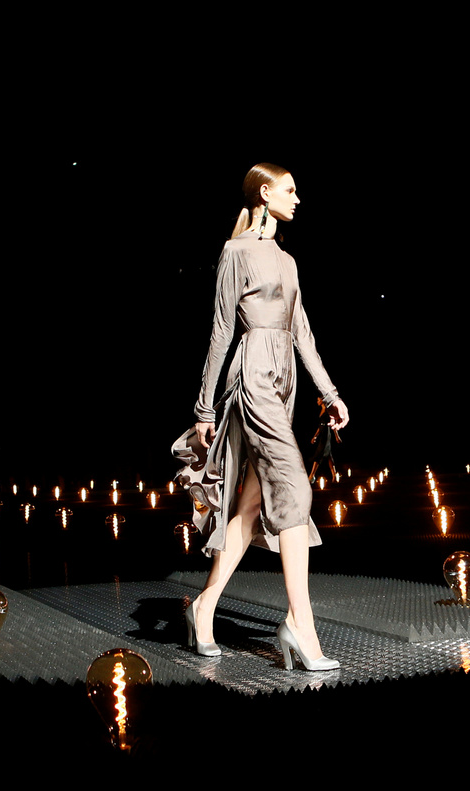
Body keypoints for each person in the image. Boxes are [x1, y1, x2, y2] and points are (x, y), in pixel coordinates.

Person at [173, 163, 349, 671]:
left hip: (285, 379)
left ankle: (204, 607)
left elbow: (303, 334)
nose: (298, 199)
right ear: (265, 193)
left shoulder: (288, 261)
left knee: (251, 507)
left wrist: (330, 394)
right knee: (294, 489)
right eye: (290, 190)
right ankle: (300, 624)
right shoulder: (237, 251)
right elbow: (221, 330)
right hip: (252, 375)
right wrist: (204, 406)